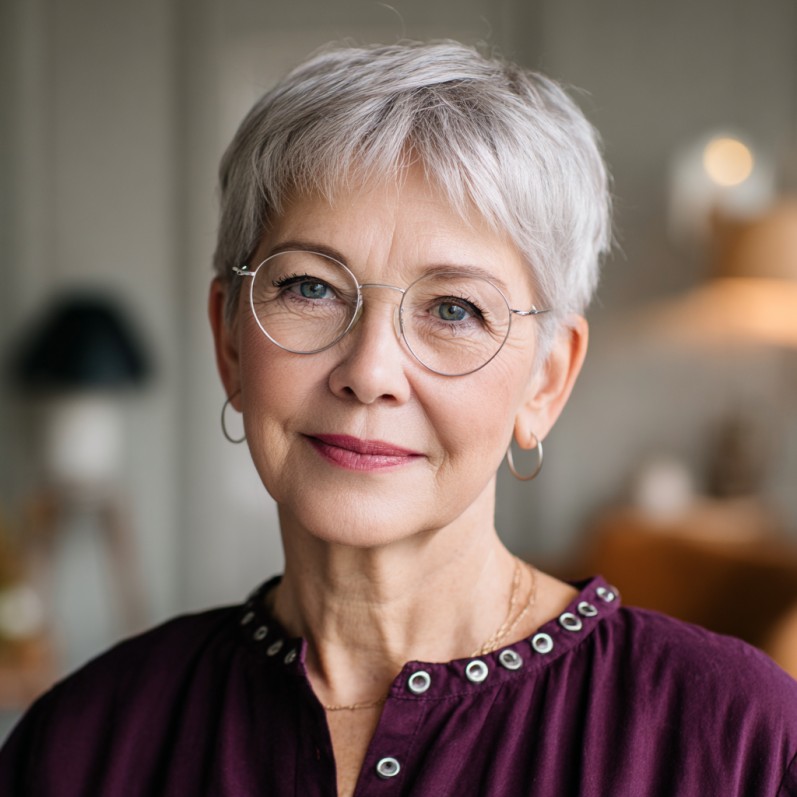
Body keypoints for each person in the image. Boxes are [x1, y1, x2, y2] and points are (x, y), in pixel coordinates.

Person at [1, 39, 796, 797]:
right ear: (230, 341)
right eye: (310, 288)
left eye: (453, 308)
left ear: (544, 382)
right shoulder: (79, 743)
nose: (370, 372)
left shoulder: (739, 741)